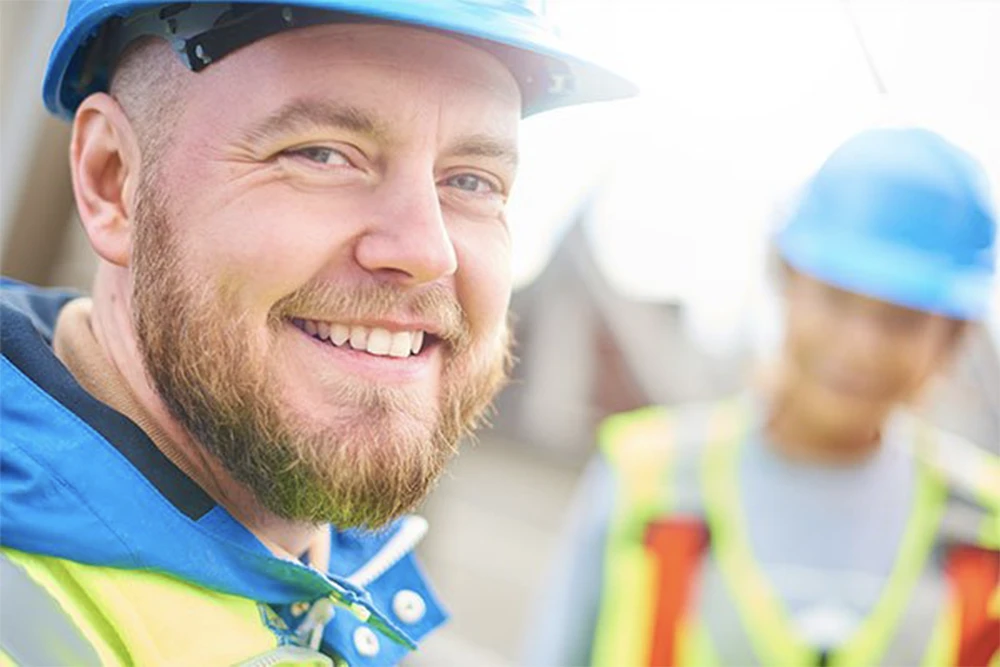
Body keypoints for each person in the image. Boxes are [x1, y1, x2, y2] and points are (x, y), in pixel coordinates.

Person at [0, 1, 635, 665]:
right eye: (322, 154)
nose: (427, 250)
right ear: (113, 181)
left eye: (472, 181)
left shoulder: (330, 592)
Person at [525, 128, 1000, 667]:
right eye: (838, 298)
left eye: (902, 320)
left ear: (953, 337)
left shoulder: (987, 524)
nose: (861, 347)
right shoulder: (647, 480)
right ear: (787, 281)